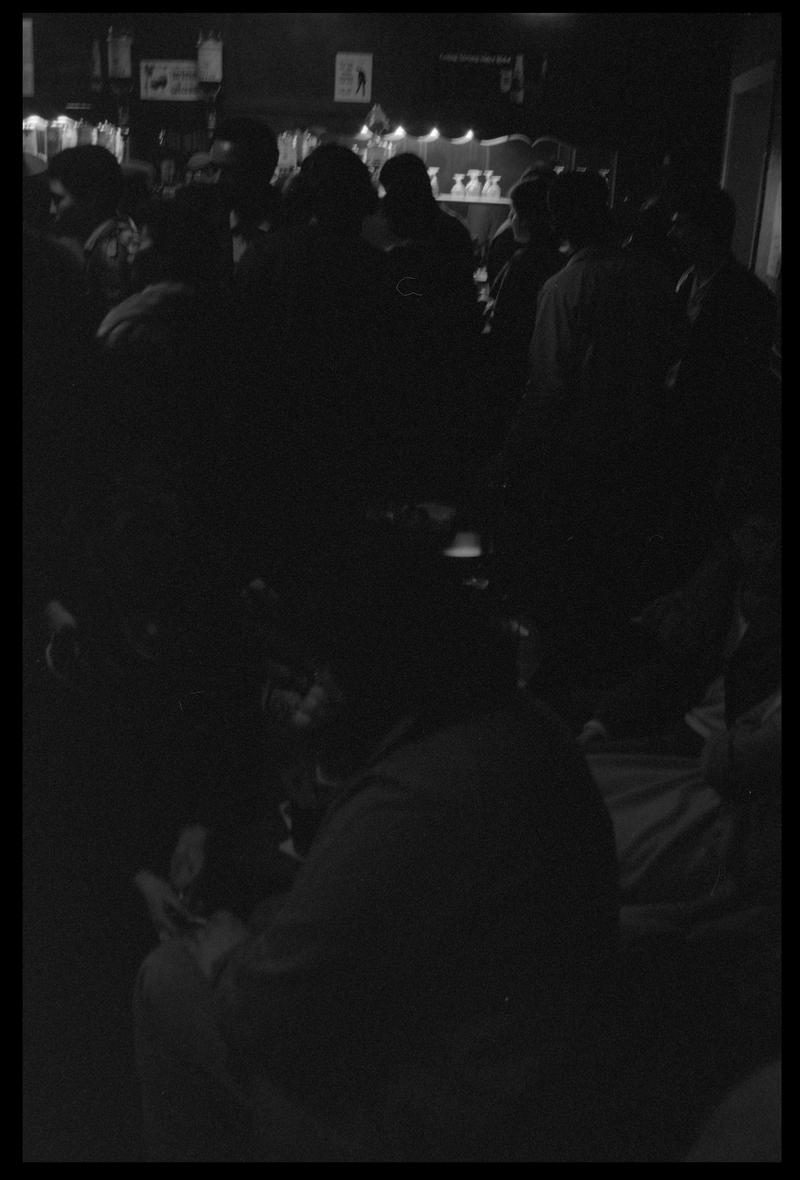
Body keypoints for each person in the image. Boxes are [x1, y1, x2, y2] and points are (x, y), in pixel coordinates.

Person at [132, 511, 619, 1161]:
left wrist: (222, 953)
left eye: (325, 667)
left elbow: (260, 1014)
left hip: (447, 1125)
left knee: (167, 977)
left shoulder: (418, 795)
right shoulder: (519, 720)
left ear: (372, 659)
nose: (315, 686)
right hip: (525, 1078)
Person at [575, 458, 781, 912]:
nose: (771, 553)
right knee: (574, 759)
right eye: (759, 536)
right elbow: (673, 671)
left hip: (718, 759)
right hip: (681, 733)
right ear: (735, 536)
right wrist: (606, 722)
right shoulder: (719, 591)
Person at [660, 176, 777, 560]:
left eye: (681, 224)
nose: (672, 232)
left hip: (710, 444)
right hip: (675, 431)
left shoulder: (749, 298)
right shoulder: (684, 280)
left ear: (705, 231)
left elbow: (745, 389)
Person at [480, 173, 562, 445]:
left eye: (513, 212)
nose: (510, 219)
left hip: (516, 369)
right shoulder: (559, 259)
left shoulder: (524, 261)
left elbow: (504, 319)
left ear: (526, 218)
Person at [47, 144, 139, 321]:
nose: (52, 209)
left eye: (58, 199)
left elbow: (110, 322)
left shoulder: (110, 251)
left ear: (91, 199)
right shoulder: (118, 231)